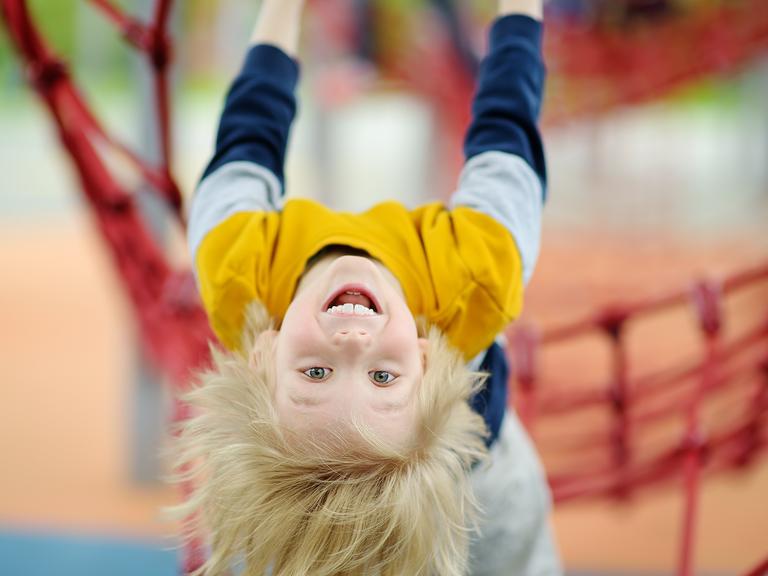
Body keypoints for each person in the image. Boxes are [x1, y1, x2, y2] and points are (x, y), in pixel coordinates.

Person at [177, 0, 561, 574]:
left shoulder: (234, 261)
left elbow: (250, 128)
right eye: (383, 377)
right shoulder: (480, 271)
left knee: (274, 545)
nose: (354, 343)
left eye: (315, 373)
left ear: (261, 355)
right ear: (428, 361)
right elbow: (508, 122)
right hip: (484, 486)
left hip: (407, 493)